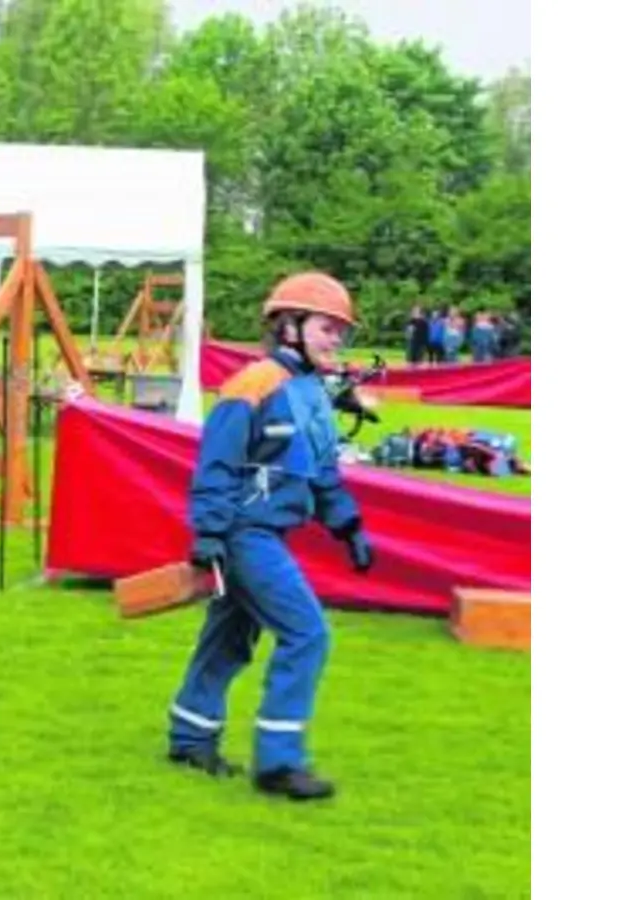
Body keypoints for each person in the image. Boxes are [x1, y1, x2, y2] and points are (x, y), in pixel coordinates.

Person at [165, 271, 374, 802]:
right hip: (244, 533)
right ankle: (280, 763)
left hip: (263, 533)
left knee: (229, 639)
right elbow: (217, 464)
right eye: (328, 328)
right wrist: (209, 533)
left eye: (340, 332)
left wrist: (346, 525)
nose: (336, 340)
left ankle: (191, 737)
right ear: (289, 327)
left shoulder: (310, 392)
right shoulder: (253, 384)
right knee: (308, 634)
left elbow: (322, 468)